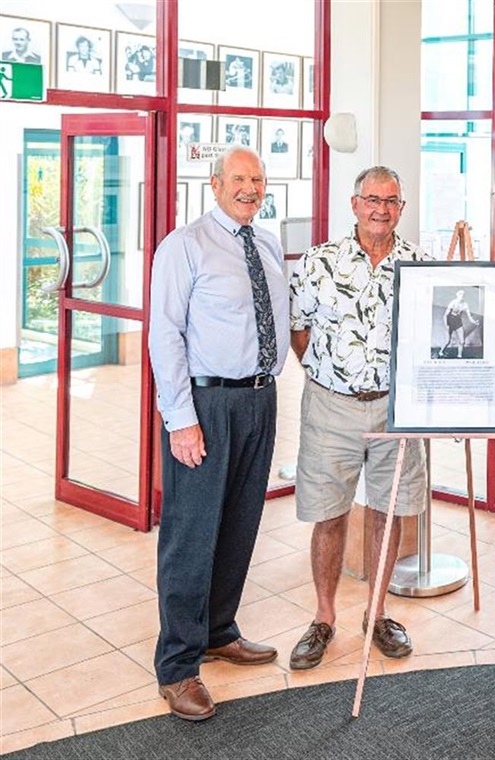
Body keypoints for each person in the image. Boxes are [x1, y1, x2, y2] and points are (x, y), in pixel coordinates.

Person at [148, 147, 290, 721]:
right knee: (191, 532)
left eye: (257, 179)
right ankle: (179, 666)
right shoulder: (185, 245)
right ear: (214, 184)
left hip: (260, 399)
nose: (250, 188)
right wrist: (180, 417)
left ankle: (218, 629)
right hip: (205, 403)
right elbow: (164, 334)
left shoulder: (269, 244)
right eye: (239, 179)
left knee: (239, 522)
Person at [287, 166, 431, 671]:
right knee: (329, 513)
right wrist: (333, 378)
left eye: (391, 201)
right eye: (372, 199)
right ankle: (324, 617)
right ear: (354, 204)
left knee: (388, 511)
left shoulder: (419, 266)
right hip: (331, 406)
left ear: (401, 209)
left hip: (397, 409)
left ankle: (377, 612)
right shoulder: (317, 263)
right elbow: (298, 332)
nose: (380, 209)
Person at [441, 289, 478, 358]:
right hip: (450, 320)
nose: (461, 296)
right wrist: (446, 325)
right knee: (447, 341)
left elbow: (469, 316)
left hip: (458, 322)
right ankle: (441, 351)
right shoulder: (453, 302)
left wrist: (474, 322)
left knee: (462, 341)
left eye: (463, 295)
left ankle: (459, 355)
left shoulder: (465, 304)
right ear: (457, 295)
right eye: (460, 294)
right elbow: (445, 315)